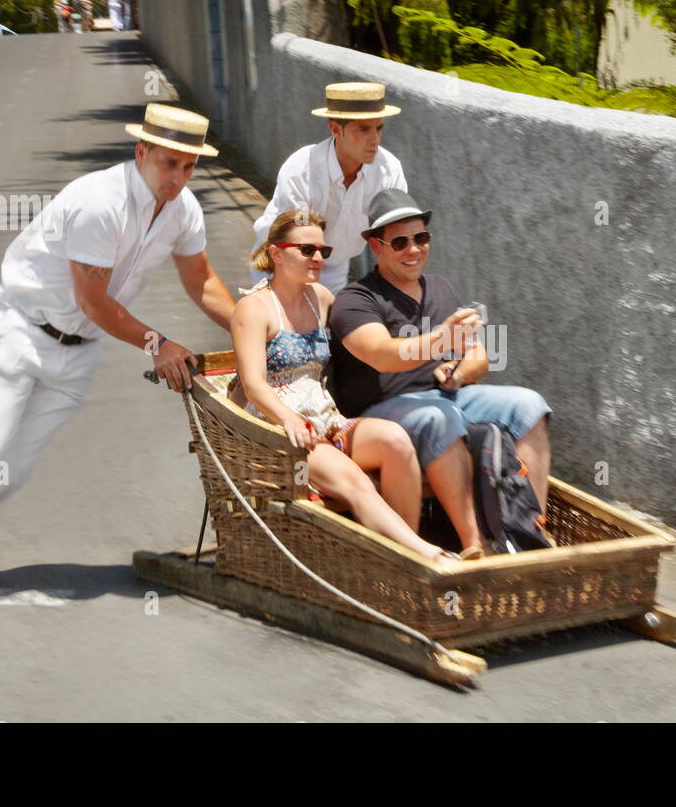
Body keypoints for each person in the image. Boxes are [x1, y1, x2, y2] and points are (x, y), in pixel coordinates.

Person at [0, 104, 239, 580]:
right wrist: (158, 344)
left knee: (9, 471)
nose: (178, 177)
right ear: (142, 152)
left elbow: (201, 281)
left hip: (79, 353)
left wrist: (257, 329)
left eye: (188, 166)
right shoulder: (101, 201)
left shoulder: (183, 211)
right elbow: (93, 300)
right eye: (168, 162)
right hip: (22, 331)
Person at [329, 190, 553, 559]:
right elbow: (383, 355)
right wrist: (439, 341)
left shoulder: (442, 288)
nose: (413, 249)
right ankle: (475, 544)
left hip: (445, 396)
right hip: (381, 410)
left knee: (528, 405)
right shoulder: (356, 299)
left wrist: (459, 374)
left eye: (421, 238)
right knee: (439, 417)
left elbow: (478, 355)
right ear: (375, 246)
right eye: (400, 242)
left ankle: (531, 531)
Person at [229, 209, 457, 562]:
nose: (318, 258)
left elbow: (366, 342)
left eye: (323, 251)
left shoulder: (319, 298)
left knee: (395, 440)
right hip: (278, 429)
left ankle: (402, 557)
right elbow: (253, 383)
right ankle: (427, 557)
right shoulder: (252, 308)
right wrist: (289, 420)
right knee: (358, 483)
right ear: (276, 253)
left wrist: (424, 352)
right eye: (306, 250)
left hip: (326, 418)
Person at [249, 82, 405, 295]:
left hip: (336, 266)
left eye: (379, 128)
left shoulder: (390, 169)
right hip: (281, 263)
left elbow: (395, 235)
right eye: (364, 129)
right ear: (335, 129)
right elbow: (296, 244)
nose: (375, 140)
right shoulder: (300, 170)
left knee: (334, 324)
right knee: (285, 326)